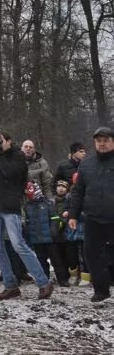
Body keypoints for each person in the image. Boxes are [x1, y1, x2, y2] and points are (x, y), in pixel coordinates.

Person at [0, 128, 53, 300]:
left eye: (2, 140)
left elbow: (9, 172)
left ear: (10, 142)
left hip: (10, 207)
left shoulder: (18, 156)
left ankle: (43, 283)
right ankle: (10, 285)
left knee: (19, 245)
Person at [69, 127, 114, 303]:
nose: (102, 144)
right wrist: (73, 214)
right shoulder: (86, 164)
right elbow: (78, 191)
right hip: (94, 217)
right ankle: (101, 290)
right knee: (91, 253)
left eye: (106, 140)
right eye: (98, 141)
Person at [23, 181, 70, 286]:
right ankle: (44, 280)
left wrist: (53, 231)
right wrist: (28, 233)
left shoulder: (48, 203)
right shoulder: (27, 206)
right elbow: (27, 222)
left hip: (50, 238)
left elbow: (55, 218)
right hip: (36, 239)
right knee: (41, 261)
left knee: (56, 260)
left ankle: (62, 279)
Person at [53, 180, 81, 284]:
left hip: (67, 232)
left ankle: (73, 274)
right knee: (58, 255)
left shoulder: (69, 199)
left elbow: (72, 212)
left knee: (69, 254)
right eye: (59, 186)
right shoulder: (52, 201)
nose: (61, 188)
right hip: (55, 233)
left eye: (63, 187)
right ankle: (63, 275)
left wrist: (66, 217)